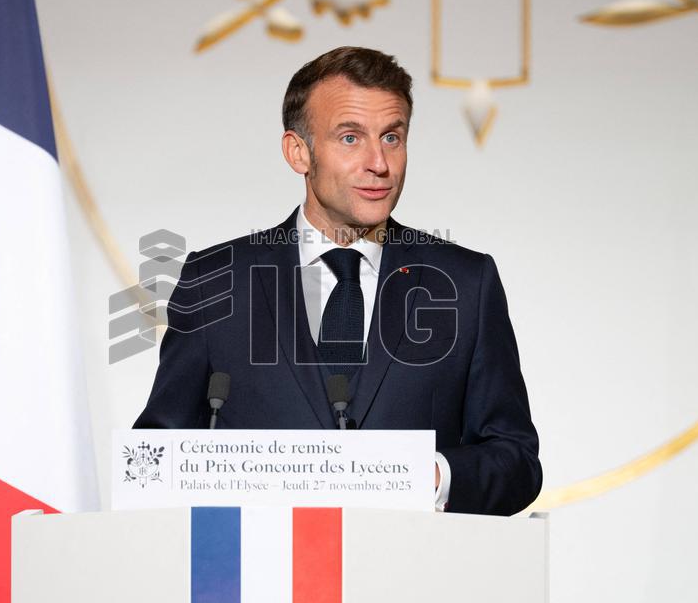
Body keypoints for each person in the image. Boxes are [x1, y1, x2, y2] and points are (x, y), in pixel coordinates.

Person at [133, 46, 541, 515]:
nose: (379, 163)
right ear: (298, 151)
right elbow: (156, 456)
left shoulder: (466, 282)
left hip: (410, 576)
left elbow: (516, 462)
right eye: (350, 138)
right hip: (262, 579)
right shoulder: (216, 280)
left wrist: (430, 476)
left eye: (392, 137)